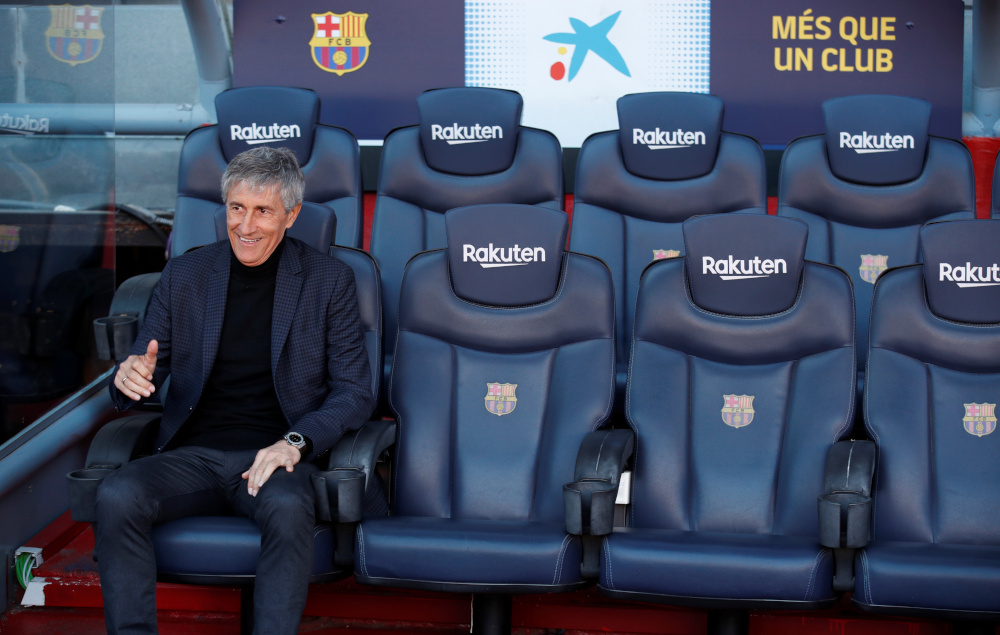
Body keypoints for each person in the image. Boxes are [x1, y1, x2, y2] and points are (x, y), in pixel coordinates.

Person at [95, 146, 374, 634]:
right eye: (236, 208)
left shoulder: (330, 281)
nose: (246, 225)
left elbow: (353, 391)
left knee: (289, 508)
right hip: (193, 455)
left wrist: (295, 443)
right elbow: (146, 363)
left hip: (273, 455)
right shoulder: (185, 275)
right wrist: (129, 376)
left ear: (291, 215)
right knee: (118, 492)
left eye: (263, 211)